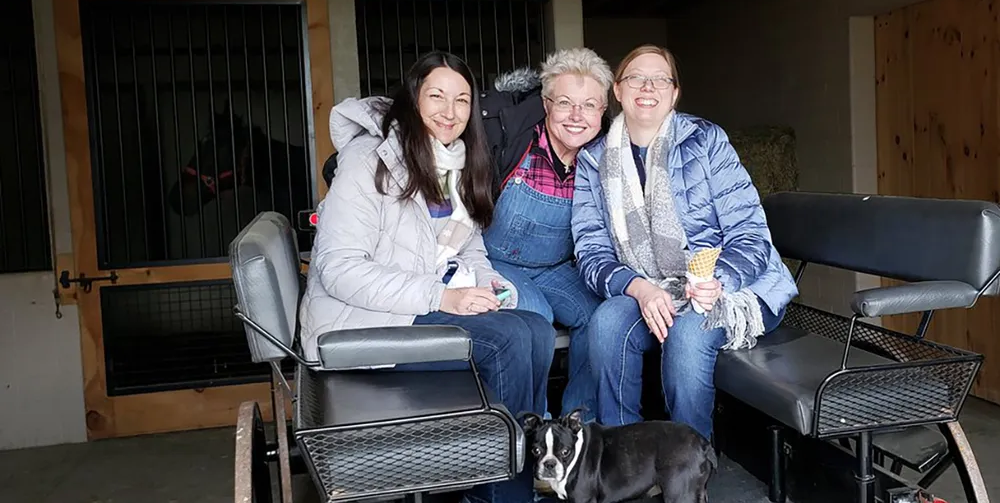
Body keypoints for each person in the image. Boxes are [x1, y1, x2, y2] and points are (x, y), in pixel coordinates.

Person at [300, 50, 554, 503]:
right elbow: (337, 269)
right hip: (360, 323)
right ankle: (501, 494)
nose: (449, 111)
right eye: (436, 96)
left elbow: (468, 244)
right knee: (510, 342)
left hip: (410, 309)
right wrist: (441, 297)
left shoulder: (455, 162)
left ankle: (492, 477)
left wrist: (486, 282)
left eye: (461, 99)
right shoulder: (367, 161)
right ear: (413, 99)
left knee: (534, 328)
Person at [570, 44, 798, 442]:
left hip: (735, 287)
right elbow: (591, 250)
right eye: (636, 77)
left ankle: (690, 471)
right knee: (606, 324)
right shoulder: (594, 158)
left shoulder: (705, 141)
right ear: (618, 92)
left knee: (689, 332)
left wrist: (717, 281)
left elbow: (751, 233)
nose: (648, 86)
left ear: (674, 94)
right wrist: (638, 288)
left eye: (660, 79)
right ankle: (625, 463)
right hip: (654, 285)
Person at [479, 47, 614, 421]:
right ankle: (532, 430)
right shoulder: (511, 140)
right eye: (565, 103)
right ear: (545, 103)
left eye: (589, 105)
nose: (576, 116)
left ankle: (577, 426)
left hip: (555, 266)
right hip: (494, 260)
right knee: (533, 318)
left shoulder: (602, 160)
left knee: (598, 314)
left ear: (602, 112)